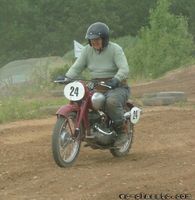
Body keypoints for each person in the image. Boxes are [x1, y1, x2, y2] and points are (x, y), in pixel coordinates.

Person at [65, 22, 130, 147]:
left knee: (111, 102)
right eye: (91, 40)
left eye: (97, 39)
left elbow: (124, 69)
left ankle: (122, 132)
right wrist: (67, 77)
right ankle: (90, 129)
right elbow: (77, 67)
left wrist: (116, 79)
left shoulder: (115, 49)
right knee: (79, 101)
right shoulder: (87, 50)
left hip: (117, 86)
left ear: (104, 39)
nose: (94, 42)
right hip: (96, 85)